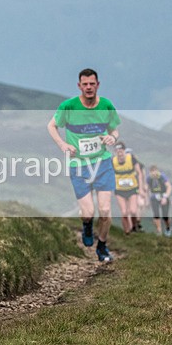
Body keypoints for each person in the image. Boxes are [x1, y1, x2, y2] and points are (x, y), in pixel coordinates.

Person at [48, 68, 120, 262]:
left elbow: (115, 129)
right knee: (88, 212)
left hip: (102, 163)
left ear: (98, 85)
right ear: (79, 86)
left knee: (105, 211)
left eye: (92, 84)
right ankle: (87, 225)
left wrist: (112, 137)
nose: (89, 87)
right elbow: (51, 126)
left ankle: (102, 247)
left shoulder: (106, 105)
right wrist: (63, 144)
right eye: (85, 84)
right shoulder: (69, 107)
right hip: (79, 165)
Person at [112, 141, 146, 235]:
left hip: (132, 188)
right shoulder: (113, 161)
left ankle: (134, 226)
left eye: (121, 150)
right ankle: (127, 232)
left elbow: (139, 173)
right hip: (119, 190)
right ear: (115, 152)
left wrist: (141, 187)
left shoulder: (131, 158)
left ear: (124, 151)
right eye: (117, 151)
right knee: (124, 212)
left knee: (133, 211)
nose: (119, 152)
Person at [146, 165, 172, 236]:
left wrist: (165, 197)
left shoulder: (162, 176)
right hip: (154, 197)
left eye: (155, 172)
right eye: (152, 172)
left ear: (157, 171)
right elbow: (147, 189)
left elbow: (169, 187)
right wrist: (147, 200)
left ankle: (168, 228)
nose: (154, 174)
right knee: (156, 214)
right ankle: (159, 230)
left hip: (163, 195)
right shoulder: (149, 178)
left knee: (165, 216)